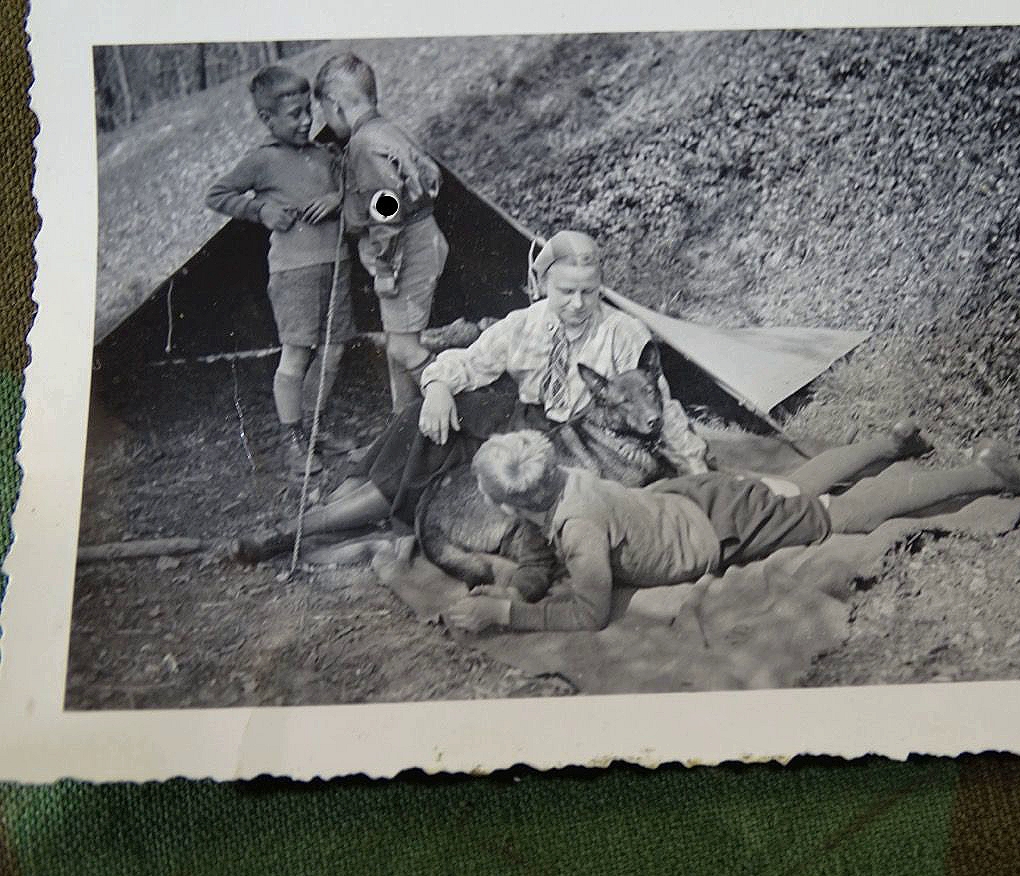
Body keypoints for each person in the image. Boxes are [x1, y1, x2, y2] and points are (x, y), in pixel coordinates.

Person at [233, 228, 710, 563]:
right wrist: (439, 388)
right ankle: (308, 526)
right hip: (516, 418)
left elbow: (658, 404)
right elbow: (465, 361)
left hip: (563, 437)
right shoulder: (524, 323)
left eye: (589, 291)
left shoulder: (625, 333)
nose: (578, 303)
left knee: (430, 448)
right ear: (544, 284)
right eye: (566, 291)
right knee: (429, 419)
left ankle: (304, 529)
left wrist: (697, 467)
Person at [443, 426, 1020, 633]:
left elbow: (589, 613)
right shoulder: (572, 479)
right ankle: (885, 441)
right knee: (792, 483)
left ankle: (983, 472)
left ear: (515, 506)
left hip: (719, 530)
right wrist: (519, 579)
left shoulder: (576, 530)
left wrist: (507, 617)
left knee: (834, 516)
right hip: (689, 496)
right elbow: (546, 549)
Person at [205, 65, 353, 476]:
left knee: (334, 351)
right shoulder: (262, 162)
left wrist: (336, 197)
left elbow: (352, 189)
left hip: (336, 265)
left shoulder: (325, 154)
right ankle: (293, 440)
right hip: (294, 273)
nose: (307, 120)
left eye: (309, 111)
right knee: (296, 355)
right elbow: (217, 194)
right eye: (295, 115)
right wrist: (261, 209)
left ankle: (313, 428)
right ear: (267, 119)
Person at [313, 52, 448, 411]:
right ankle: (400, 430)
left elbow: (386, 206)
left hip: (404, 248)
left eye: (324, 113)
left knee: (404, 348)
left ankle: (458, 402)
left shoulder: (362, 144)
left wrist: (385, 265)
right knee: (397, 344)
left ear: (336, 106)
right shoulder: (387, 131)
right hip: (419, 238)